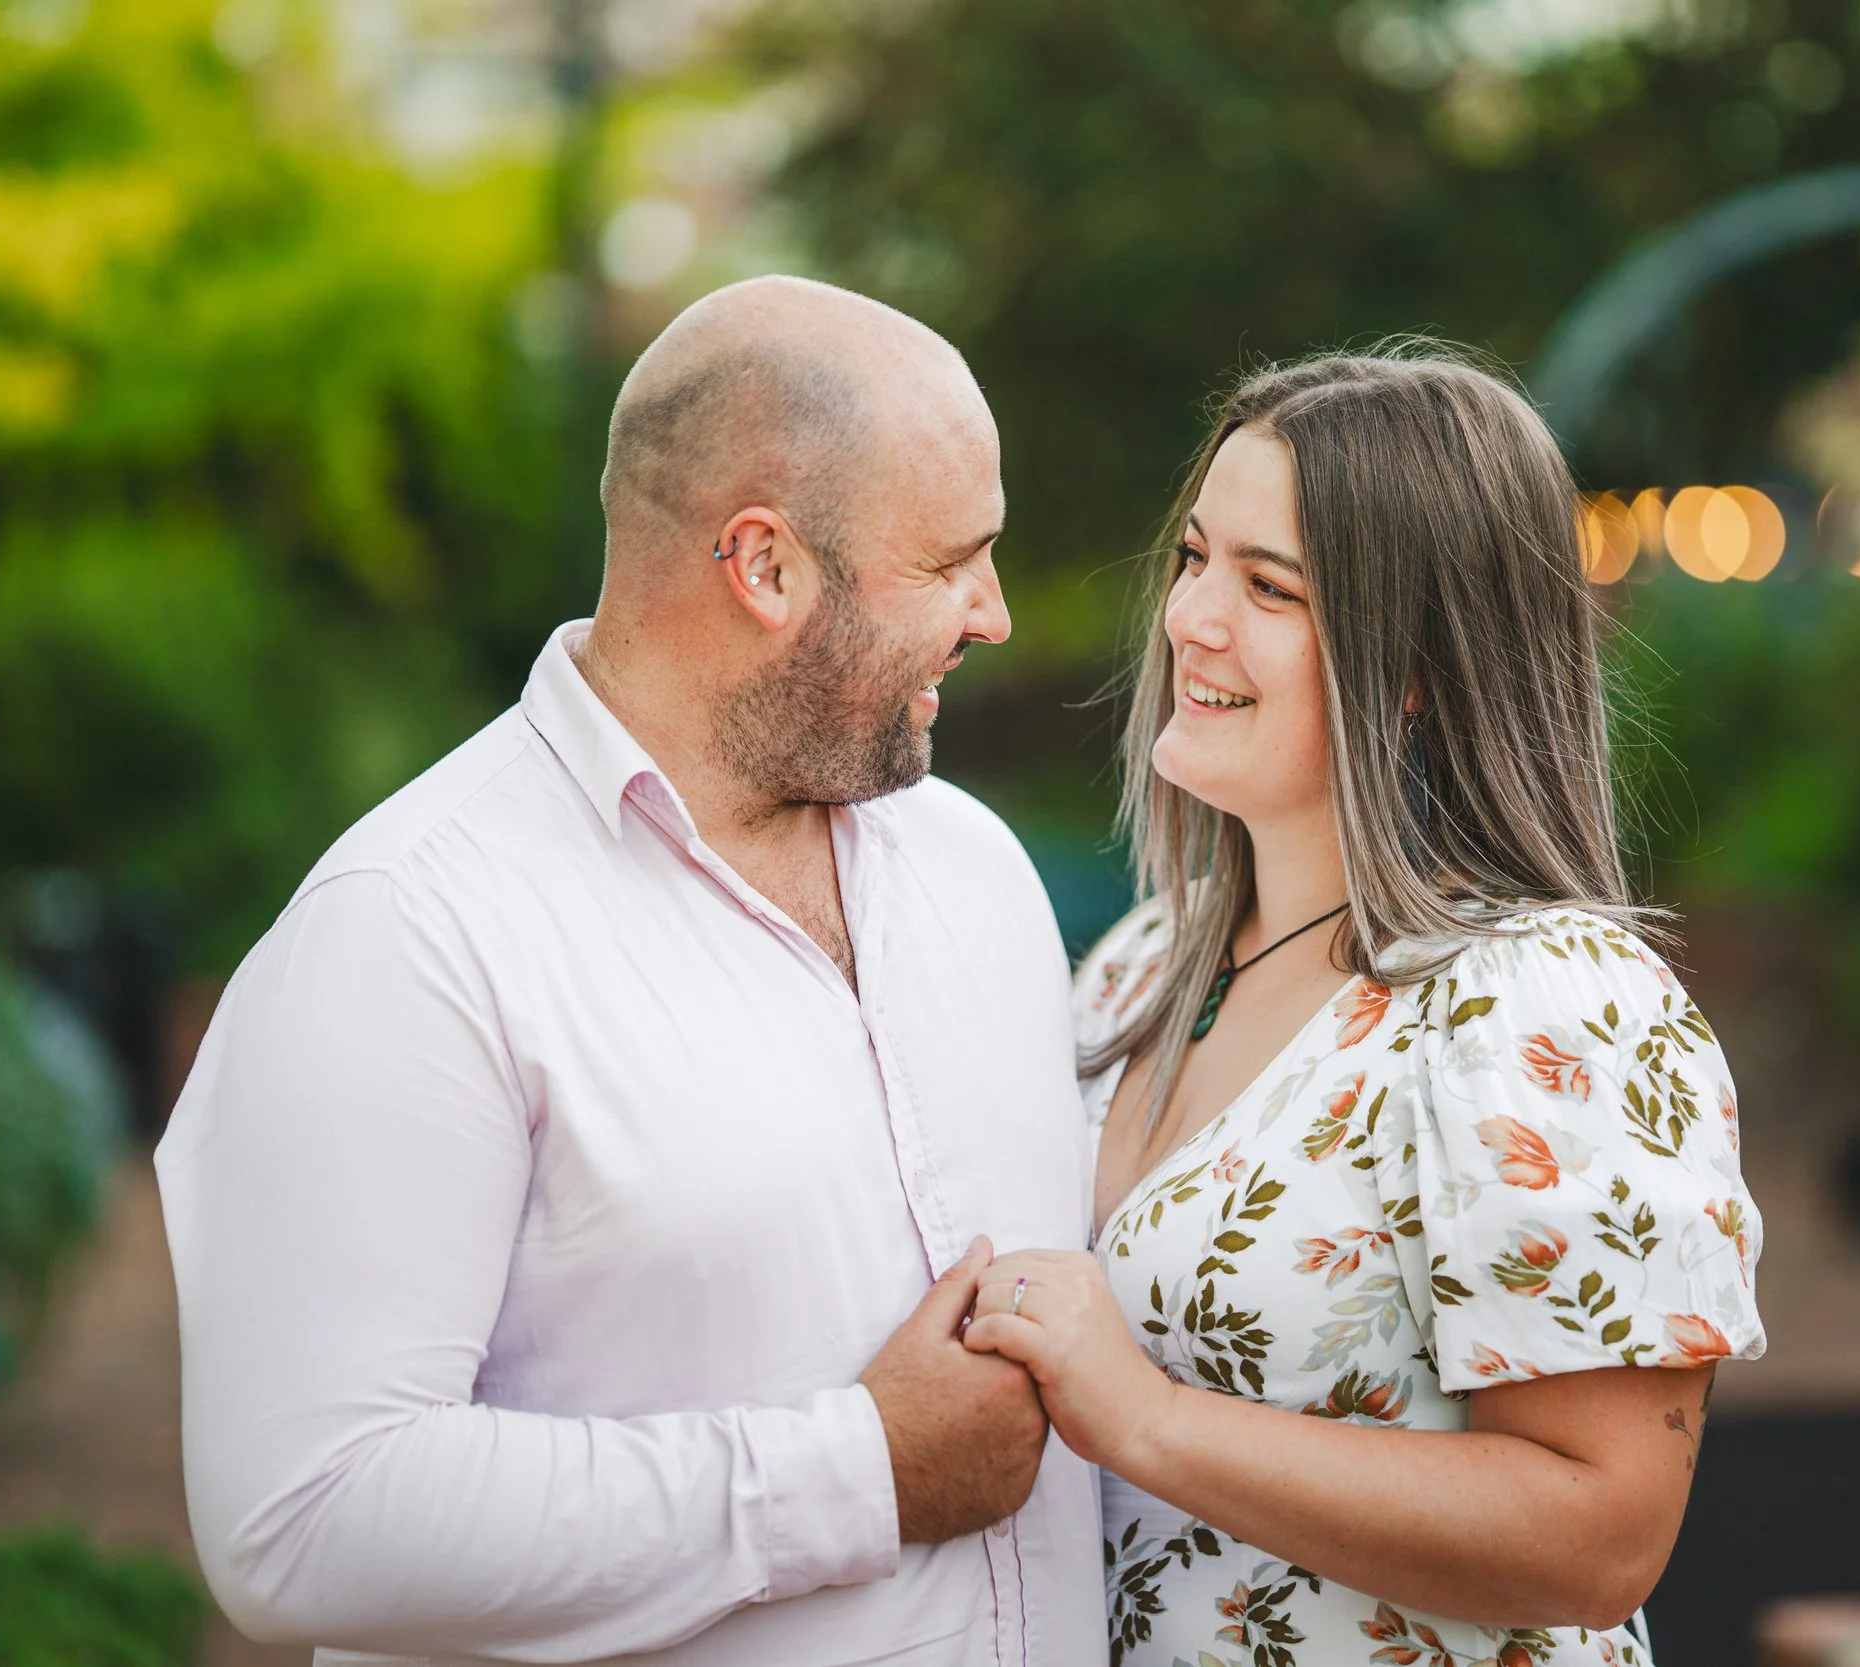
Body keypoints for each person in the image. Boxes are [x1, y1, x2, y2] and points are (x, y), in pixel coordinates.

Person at [155, 276, 1104, 1667]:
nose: (996, 614)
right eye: (953, 561)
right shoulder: (409, 933)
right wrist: (857, 1471)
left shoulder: (977, 868)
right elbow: (303, 1520)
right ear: (764, 567)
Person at [958, 347, 1766, 1667]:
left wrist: (1150, 1420)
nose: (1191, 618)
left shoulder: (1541, 1003)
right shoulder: (1139, 966)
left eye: (1269, 586)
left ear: (1420, 668)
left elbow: (1601, 1531)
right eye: (1195, 559)